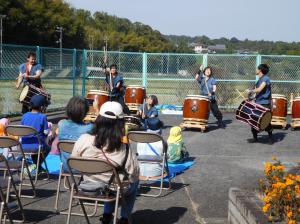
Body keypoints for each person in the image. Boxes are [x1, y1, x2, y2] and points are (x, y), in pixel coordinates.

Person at [72, 101, 139, 224]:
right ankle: (124, 218)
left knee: (114, 181)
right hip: (113, 187)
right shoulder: (123, 147)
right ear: (120, 124)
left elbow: (74, 161)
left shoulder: (83, 139)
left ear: (99, 119)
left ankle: (107, 215)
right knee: (129, 183)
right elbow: (134, 172)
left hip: (88, 184)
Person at [58, 96, 93, 172]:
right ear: (85, 112)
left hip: (66, 167)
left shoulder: (61, 125)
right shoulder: (89, 128)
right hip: (84, 168)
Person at [20, 95, 50, 173]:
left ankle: (38, 167)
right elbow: (46, 132)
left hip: (24, 146)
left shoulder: (24, 115)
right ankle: (37, 165)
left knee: (36, 145)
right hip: (37, 146)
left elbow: (21, 129)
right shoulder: (42, 117)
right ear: (41, 107)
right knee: (47, 148)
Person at [246, 64, 274, 144]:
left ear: (260, 70)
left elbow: (260, 89)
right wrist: (251, 96)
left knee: (265, 121)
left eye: (257, 69)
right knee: (253, 120)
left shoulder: (266, 78)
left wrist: (251, 91)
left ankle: (271, 138)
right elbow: (256, 91)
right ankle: (255, 138)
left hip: (264, 103)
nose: (256, 70)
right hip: (258, 103)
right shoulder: (259, 80)